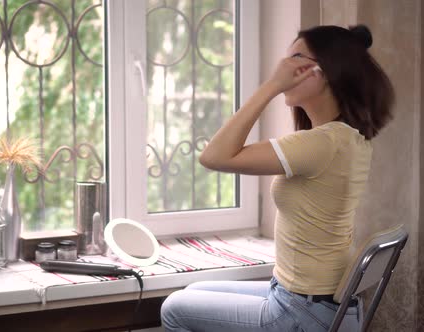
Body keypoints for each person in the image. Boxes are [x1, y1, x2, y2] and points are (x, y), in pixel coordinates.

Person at [160, 24, 394, 332]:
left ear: (326, 71)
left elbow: (213, 156)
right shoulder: (346, 138)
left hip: (302, 313)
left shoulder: (322, 143)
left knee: (174, 308)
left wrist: (271, 86)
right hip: (318, 305)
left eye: (296, 58)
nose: (284, 68)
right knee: (192, 293)